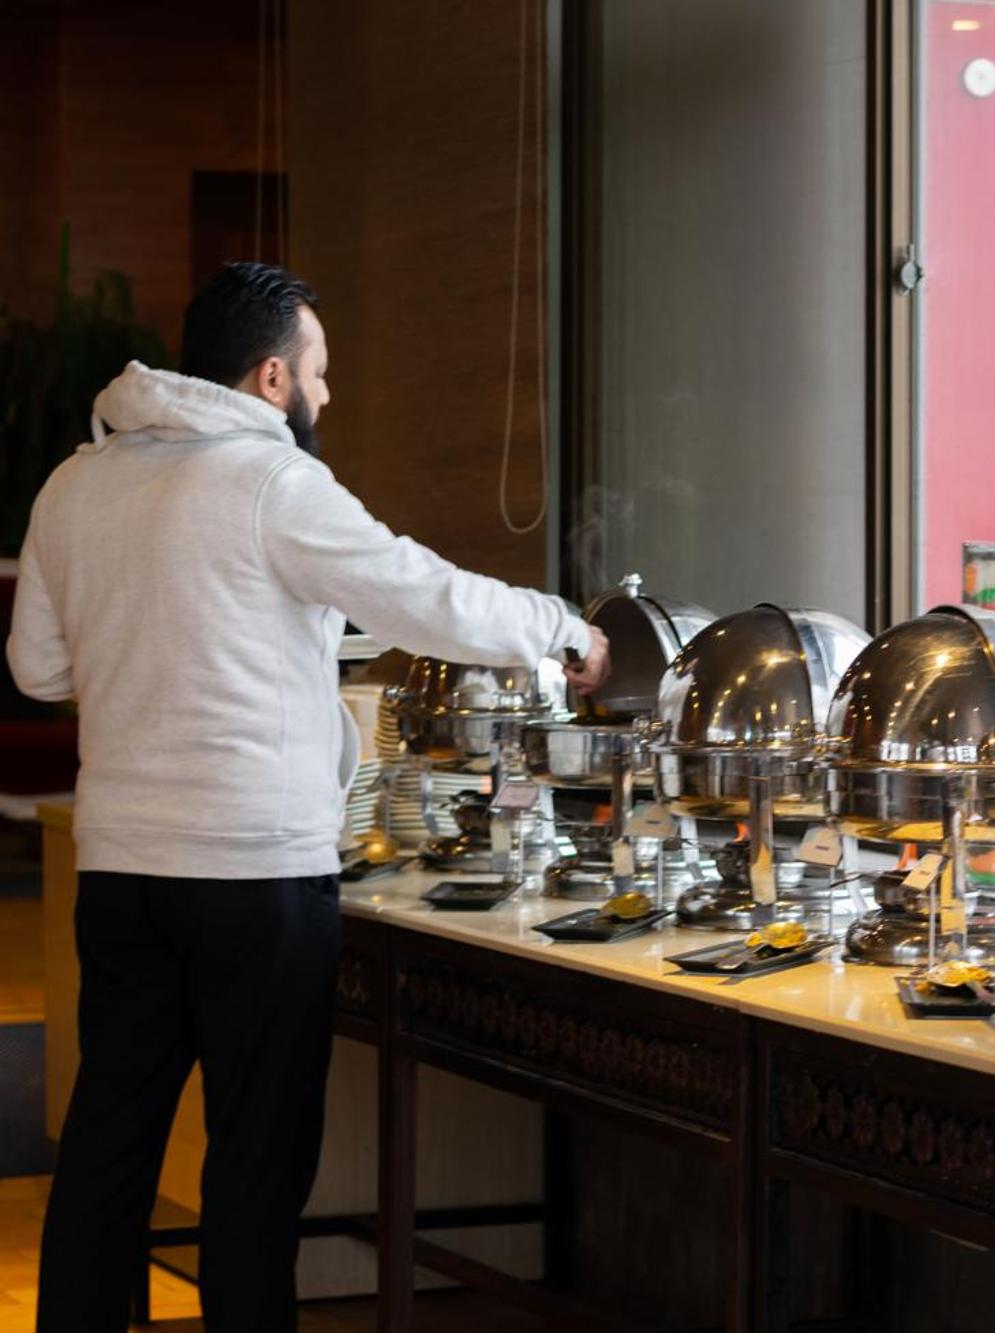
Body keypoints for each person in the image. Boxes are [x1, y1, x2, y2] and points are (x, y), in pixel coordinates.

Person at [5, 262, 612, 1332]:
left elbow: (37, 668)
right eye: (319, 370)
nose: (327, 393)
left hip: (124, 870)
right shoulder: (272, 482)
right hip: (255, 876)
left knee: (107, 1150)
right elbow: (421, 594)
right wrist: (561, 628)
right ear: (272, 376)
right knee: (256, 1165)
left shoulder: (73, 484)